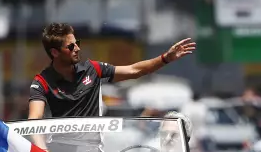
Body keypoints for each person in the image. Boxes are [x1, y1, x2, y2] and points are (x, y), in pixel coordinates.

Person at [28, 22, 196, 120]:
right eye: (71, 46)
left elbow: (134, 70)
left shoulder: (93, 69)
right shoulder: (41, 82)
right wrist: (40, 147)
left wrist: (166, 58)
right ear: (55, 53)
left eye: (77, 42)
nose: (77, 48)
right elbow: (34, 120)